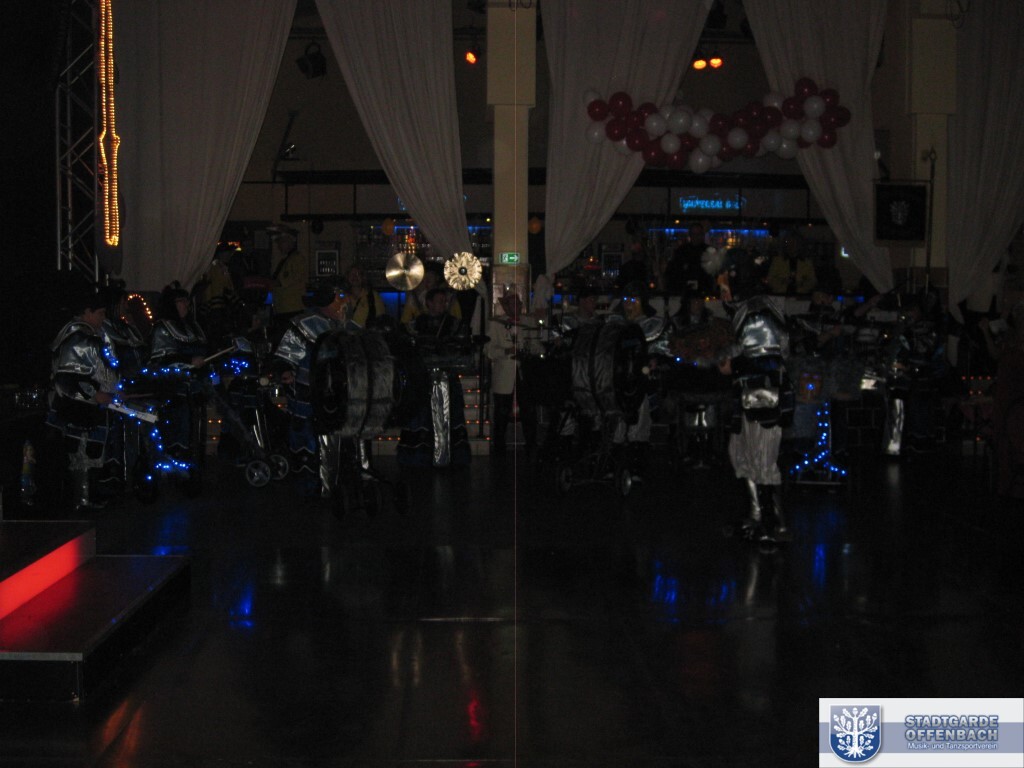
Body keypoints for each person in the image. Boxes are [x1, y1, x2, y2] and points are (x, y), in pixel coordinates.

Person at [719, 295, 794, 548]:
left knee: (763, 459)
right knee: (741, 454)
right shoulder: (744, 311)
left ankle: (773, 525)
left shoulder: (757, 312)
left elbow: (769, 355)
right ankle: (757, 515)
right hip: (747, 398)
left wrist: (730, 360)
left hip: (764, 397)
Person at [272, 284, 349, 497]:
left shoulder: (346, 325)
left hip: (337, 398)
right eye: (339, 297)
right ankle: (309, 487)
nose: (344, 302)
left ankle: (335, 484)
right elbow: (284, 357)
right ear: (328, 301)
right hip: (307, 398)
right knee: (305, 442)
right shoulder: (303, 325)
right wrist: (285, 370)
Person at [48, 284, 120, 510]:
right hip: (77, 409)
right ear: (87, 312)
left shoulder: (93, 336)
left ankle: (89, 496)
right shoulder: (78, 338)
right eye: (100, 313)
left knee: (92, 452)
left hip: (90, 408)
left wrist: (114, 390)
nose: (103, 318)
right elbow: (67, 377)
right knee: (80, 453)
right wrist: (95, 394)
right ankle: (81, 499)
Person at [398, 288, 472, 468]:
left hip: (447, 375)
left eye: (444, 301)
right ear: (429, 303)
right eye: (439, 301)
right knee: (421, 415)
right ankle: (420, 455)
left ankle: (451, 454)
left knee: (450, 413)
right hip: (422, 380)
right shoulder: (417, 323)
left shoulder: (453, 323)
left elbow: (462, 347)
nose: (443, 304)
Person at [485, 291, 542, 455]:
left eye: (519, 304)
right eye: (513, 304)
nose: (517, 307)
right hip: (504, 374)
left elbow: (537, 345)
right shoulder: (496, 323)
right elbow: (488, 350)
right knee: (501, 412)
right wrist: (506, 351)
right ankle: (499, 447)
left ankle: (531, 445)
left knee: (529, 410)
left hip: (525, 373)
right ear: (505, 307)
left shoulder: (528, 322)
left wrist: (530, 351)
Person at [269, 227, 307, 338]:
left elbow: (295, 277)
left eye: (281, 242)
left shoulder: (297, 258)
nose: (279, 246)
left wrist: (278, 283)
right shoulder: (286, 259)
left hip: (292, 308)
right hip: (282, 307)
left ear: (290, 242)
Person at [400, 262, 461, 329]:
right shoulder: (413, 299)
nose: (427, 278)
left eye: (430, 275)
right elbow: (405, 322)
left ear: (437, 277)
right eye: (424, 275)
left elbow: (457, 321)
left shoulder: (449, 297)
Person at [664, 222, 715, 298]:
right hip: (684, 292)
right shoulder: (681, 251)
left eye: (698, 234)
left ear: (703, 235)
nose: (696, 237)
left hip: (705, 293)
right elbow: (673, 272)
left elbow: (714, 274)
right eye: (694, 234)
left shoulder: (709, 251)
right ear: (690, 235)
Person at [766, 230, 817, 295]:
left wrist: (802, 284)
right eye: (788, 242)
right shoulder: (777, 261)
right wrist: (782, 282)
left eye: (794, 242)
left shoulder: (807, 262)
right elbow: (770, 279)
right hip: (781, 295)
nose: (791, 245)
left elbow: (812, 281)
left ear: (799, 244)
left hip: (800, 295)